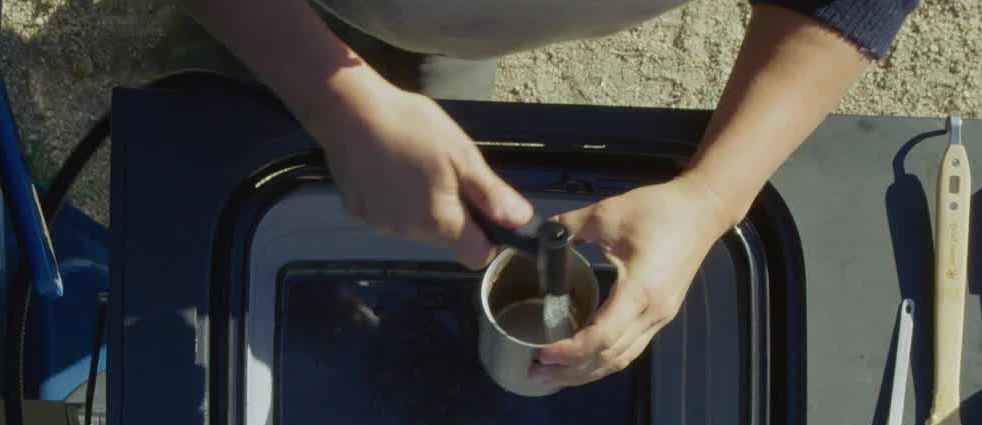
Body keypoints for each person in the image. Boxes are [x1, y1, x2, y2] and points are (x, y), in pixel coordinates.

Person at [186, 0, 918, 388]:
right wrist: (328, 97)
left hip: (451, 27)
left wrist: (710, 199)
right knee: (210, 156)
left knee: (441, 81)